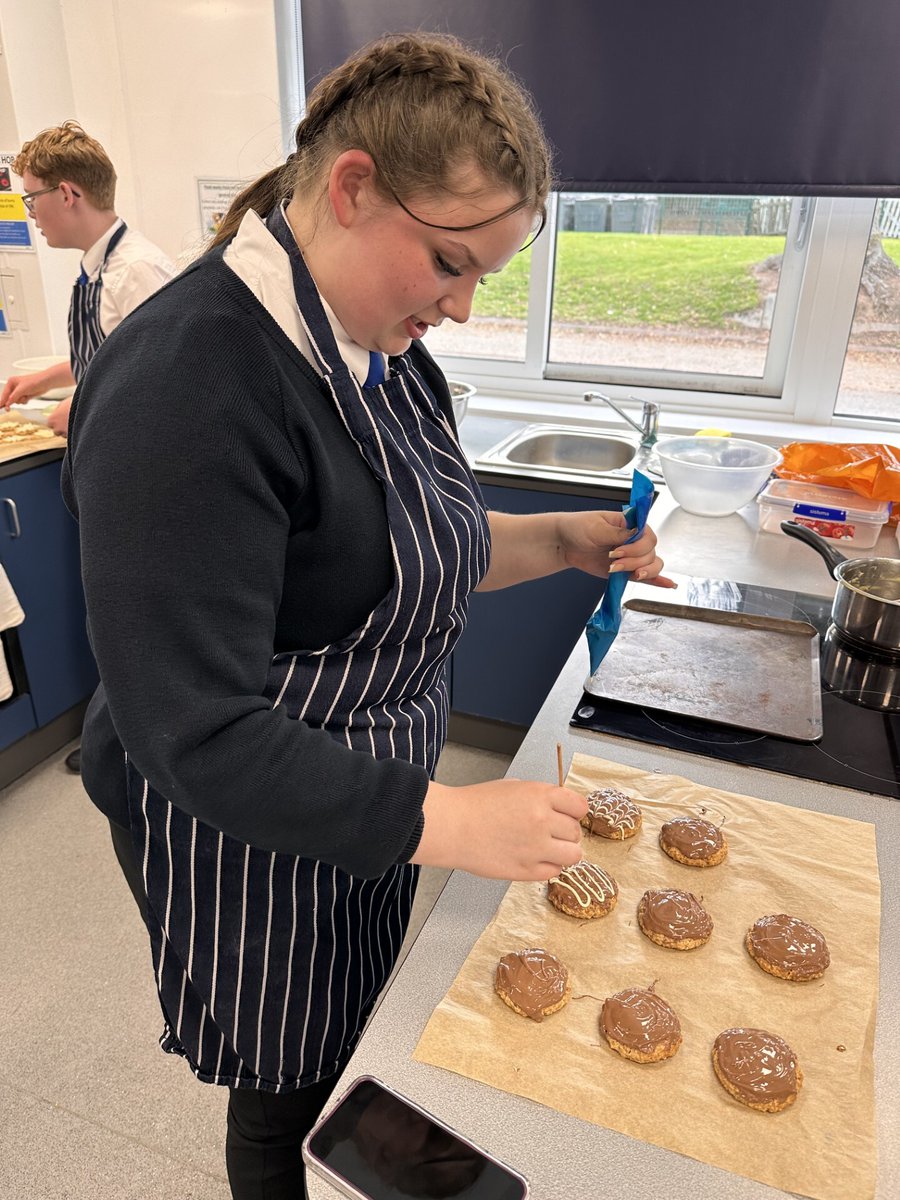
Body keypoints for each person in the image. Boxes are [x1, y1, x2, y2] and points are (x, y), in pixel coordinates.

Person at [61, 32, 674, 1200]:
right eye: (450, 262)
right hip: (250, 835)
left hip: (368, 801)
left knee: (351, 1055)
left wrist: (558, 541)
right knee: (287, 1087)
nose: (462, 302)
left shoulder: (377, 342)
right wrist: (447, 820)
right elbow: (196, 730)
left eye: (485, 272)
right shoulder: (190, 384)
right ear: (351, 187)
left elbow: (395, 555)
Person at [1, 120, 175, 773]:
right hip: (107, 470)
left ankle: (142, 746)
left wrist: (81, 407)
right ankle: (125, 737)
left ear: (68, 193)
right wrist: (47, 378)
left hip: (142, 479)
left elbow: (163, 380)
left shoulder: (138, 271)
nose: (30, 213)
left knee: (138, 619)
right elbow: (109, 351)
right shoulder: (95, 270)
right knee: (118, 617)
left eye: (31, 197)